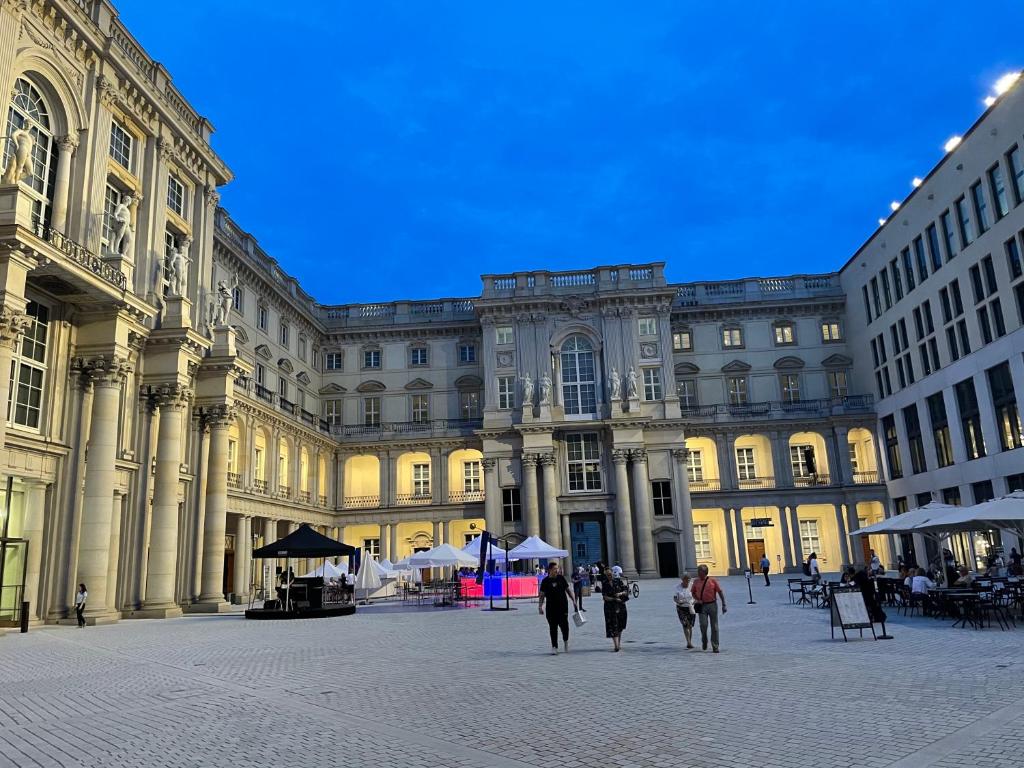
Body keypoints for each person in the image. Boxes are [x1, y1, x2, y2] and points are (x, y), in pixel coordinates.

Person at [538, 562, 575, 654]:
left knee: (564, 626)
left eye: (557, 568)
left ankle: (566, 641)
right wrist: (540, 606)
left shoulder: (561, 578)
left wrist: (573, 600)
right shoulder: (545, 581)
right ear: (550, 570)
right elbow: (542, 595)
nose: (557, 570)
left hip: (562, 607)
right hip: (551, 608)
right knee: (553, 628)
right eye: (555, 569)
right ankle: (554, 646)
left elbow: (568, 590)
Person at [691, 565, 726, 652]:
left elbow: (720, 592)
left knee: (714, 626)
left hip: (712, 605)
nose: (698, 573)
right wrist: (697, 599)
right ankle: (704, 639)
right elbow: (693, 592)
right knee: (703, 625)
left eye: (700, 572)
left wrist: (723, 604)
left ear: (705, 572)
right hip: (702, 606)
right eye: (698, 572)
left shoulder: (712, 581)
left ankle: (715, 646)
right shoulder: (696, 581)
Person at [602, 566, 629, 652]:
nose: (609, 576)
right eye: (608, 575)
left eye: (610, 574)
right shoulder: (605, 583)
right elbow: (605, 597)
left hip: (620, 605)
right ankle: (616, 646)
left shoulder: (618, 581)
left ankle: (619, 643)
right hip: (610, 607)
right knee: (613, 625)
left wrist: (620, 594)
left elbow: (626, 591)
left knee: (620, 625)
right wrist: (614, 599)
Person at [673, 573, 697, 649]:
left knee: (690, 625)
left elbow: (697, 595)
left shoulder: (692, 585)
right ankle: (688, 642)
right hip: (681, 608)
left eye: (689, 579)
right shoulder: (677, 587)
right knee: (685, 624)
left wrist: (695, 601)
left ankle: (690, 641)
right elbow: (675, 597)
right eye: (686, 579)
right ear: (682, 580)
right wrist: (678, 601)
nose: (688, 581)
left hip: (691, 607)